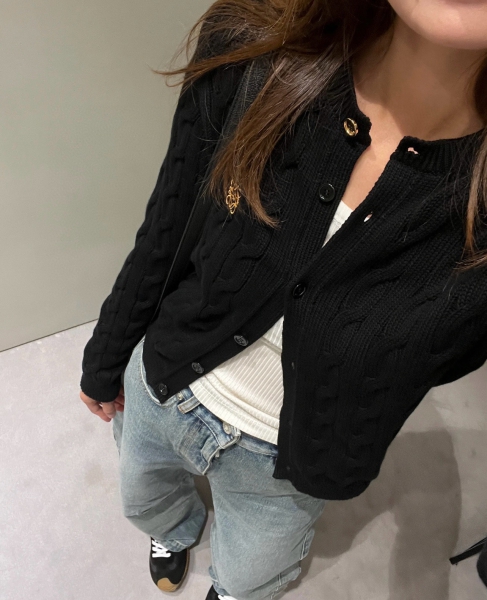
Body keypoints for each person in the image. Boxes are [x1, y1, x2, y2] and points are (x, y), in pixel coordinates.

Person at [79, 1, 487, 599]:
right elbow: (170, 225)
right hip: (162, 383)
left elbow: (446, 358)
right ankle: (174, 531)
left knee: (250, 578)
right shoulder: (252, 45)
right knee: (143, 499)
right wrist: (108, 350)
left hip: (287, 465)